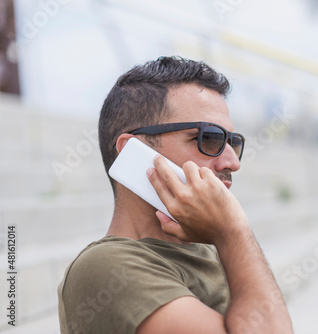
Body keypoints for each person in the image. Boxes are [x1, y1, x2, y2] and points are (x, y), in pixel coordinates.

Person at [57, 56, 294, 334]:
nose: (232, 162)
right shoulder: (107, 268)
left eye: (233, 142)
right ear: (133, 152)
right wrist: (234, 232)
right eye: (208, 138)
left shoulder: (209, 245)